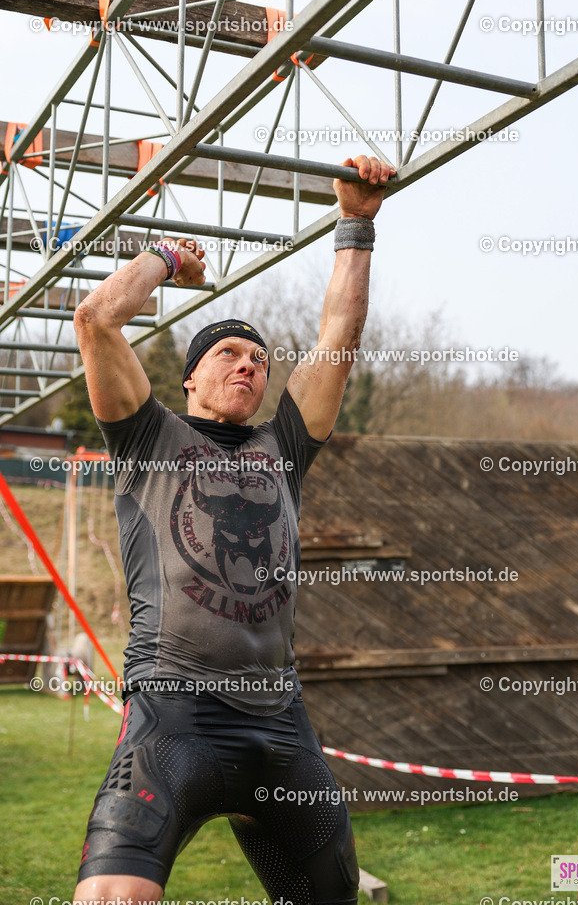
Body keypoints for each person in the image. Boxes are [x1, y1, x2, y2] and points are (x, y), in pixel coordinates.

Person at [71, 154, 396, 905]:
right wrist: (166, 258)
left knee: (332, 898)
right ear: (190, 376)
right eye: (228, 354)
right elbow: (95, 319)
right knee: (114, 897)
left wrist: (357, 221)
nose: (248, 367)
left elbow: (340, 334)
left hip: (281, 726)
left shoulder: (282, 445)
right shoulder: (147, 437)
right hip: (175, 718)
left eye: (258, 358)